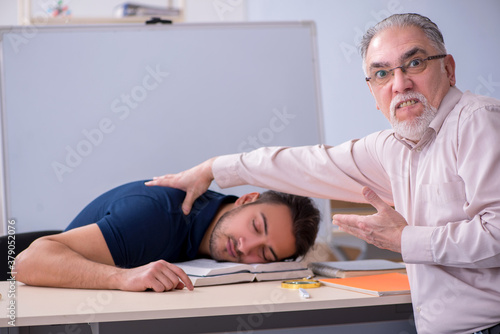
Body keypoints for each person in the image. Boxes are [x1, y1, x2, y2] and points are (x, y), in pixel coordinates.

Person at [145, 13, 500, 334]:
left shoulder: (477, 121)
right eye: (382, 73)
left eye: (415, 63)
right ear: (373, 93)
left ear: (448, 69)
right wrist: (214, 168)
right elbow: (309, 164)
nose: (400, 83)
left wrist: (404, 240)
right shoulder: (393, 147)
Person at [15, 180, 320, 292]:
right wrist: (122, 278)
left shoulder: (211, 216)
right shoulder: (153, 217)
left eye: (264, 254)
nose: (245, 247)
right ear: (246, 199)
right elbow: (27, 262)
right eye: (255, 227)